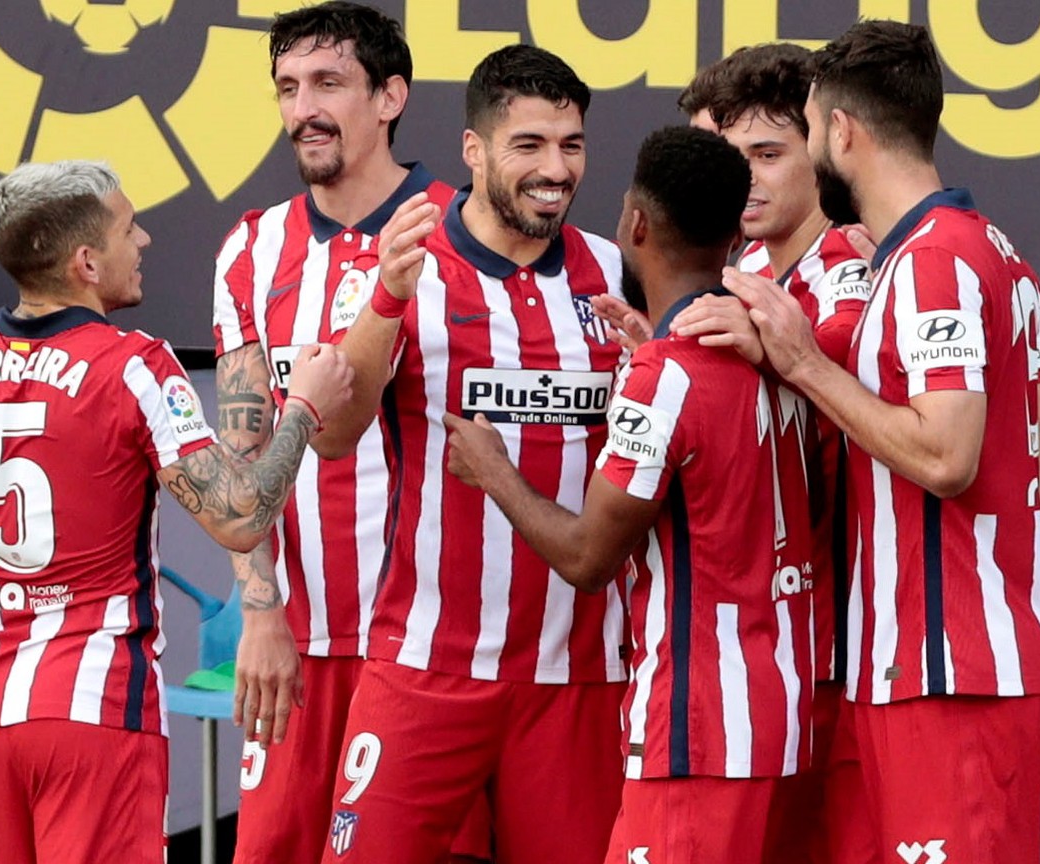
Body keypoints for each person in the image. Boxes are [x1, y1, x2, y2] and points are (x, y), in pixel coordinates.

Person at [0, 160, 353, 864]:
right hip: (97, 712)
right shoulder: (133, 366)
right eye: (128, 227)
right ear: (86, 262)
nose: (144, 240)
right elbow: (239, 518)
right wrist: (302, 409)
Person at [721, 20, 1040, 864]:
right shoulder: (975, 251)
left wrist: (807, 365)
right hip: (946, 662)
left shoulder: (933, 262)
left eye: (803, 134)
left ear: (841, 132)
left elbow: (947, 457)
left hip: (951, 673)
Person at [443, 124, 817, 864]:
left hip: (695, 725)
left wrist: (493, 469)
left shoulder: (666, 377)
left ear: (636, 225)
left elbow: (588, 558)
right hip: (772, 712)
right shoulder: (770, 353)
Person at [311, 45, 627, 864]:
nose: (555, 169)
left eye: (572, 145)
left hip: (578, 675)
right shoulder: (400, 266)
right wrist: (385, 297)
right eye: (529, 145)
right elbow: (334, 436)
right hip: (423, 666)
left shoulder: (613, 269)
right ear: (474, 150)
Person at [206, 5, 479, 862]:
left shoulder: (466, 231)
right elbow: (242, 452)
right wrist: (259, 611)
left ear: (391, 95)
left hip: (437, 652)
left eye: (328, 83)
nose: (303, 110)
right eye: (288, 88)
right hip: (300, 645)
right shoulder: (251, 249)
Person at [667, 41, 873, 864]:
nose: (744, 178)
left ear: (820, 149)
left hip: (840, 657)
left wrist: (774, 353)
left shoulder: (856, 271)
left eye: (767, 154)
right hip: (746, 658)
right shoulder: (736, 271)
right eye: (728, 157)